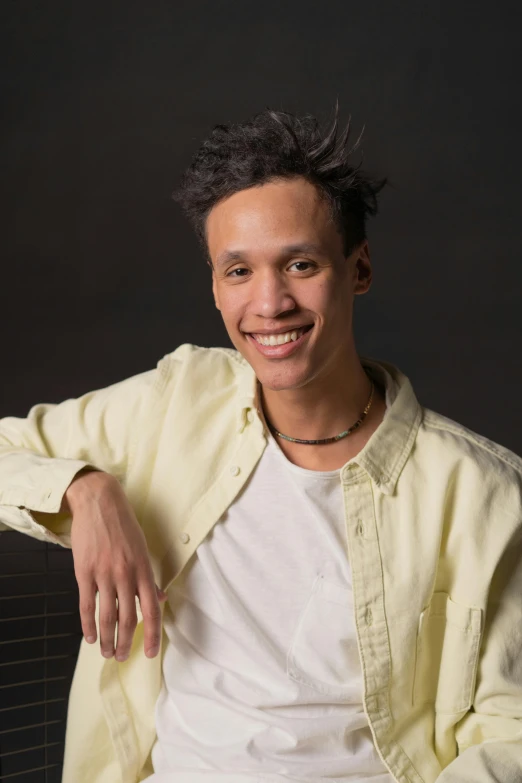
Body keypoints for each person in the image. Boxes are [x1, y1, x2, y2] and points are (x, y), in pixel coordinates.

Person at [0, 103, 521, 783]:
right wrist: (84, 489)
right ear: (215, 288)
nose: (270, 302)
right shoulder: (176, 401)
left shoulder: (483, 492)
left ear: (358, 268)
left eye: (300, 264)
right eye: (239, 271)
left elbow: (510, 731)